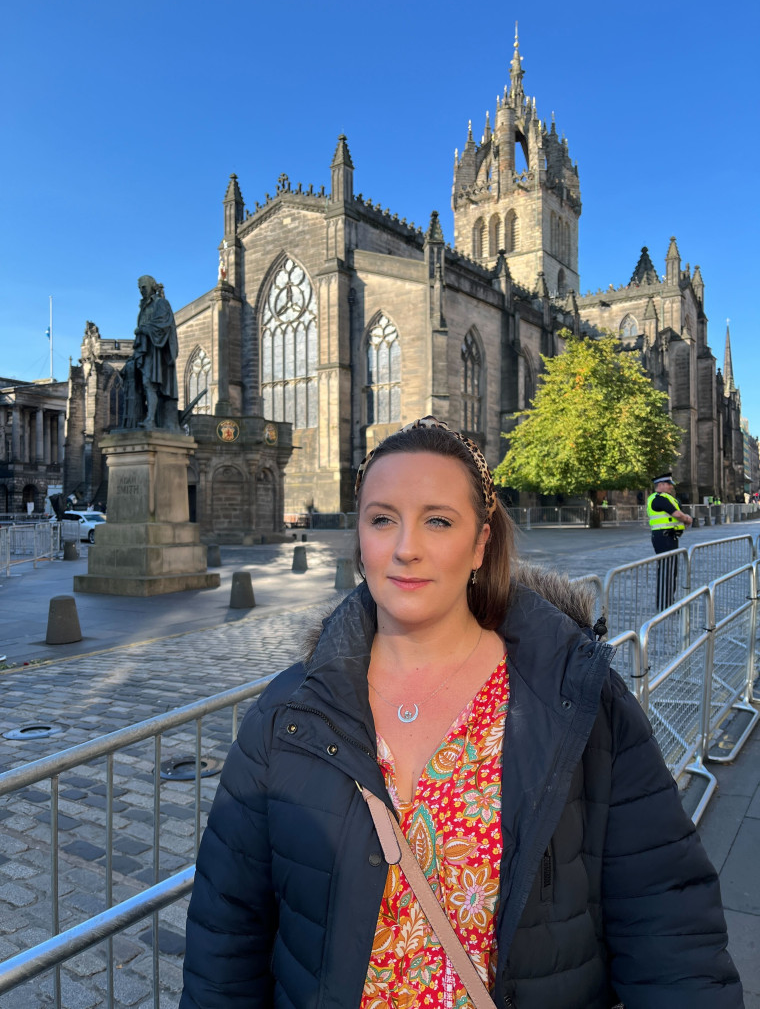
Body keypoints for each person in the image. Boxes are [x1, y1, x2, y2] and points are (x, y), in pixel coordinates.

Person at [180, 417, 742, 1009]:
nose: (405, 548)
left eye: (438, 520)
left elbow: (670, 929)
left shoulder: (576, 699)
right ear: (360, 540)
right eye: (382, 519)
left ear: (480, 543)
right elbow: (228, 935)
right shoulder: (290, 713)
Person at [133, 275, 179, 431]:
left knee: (149, 383)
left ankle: (151, 420)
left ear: (152, 286)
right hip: (145, 349)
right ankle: (149, 418)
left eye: (143, 287)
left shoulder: (161, 303)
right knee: (143, 384)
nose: (141, 291)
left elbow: (163, 324)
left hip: (157, 351)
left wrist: (143, 329)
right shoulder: (144, 306)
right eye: (139, 288)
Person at [647, 472, 692, 609]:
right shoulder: (659, 499)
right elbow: (677, 514)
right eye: (668, 485)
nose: (670, 487)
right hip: (663, 537)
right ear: (660, 485)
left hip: (669, 537)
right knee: (667, 570)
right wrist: (687, 519)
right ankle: (664, 604)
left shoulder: (666, 498)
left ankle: (668, 602)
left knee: (670, 570)